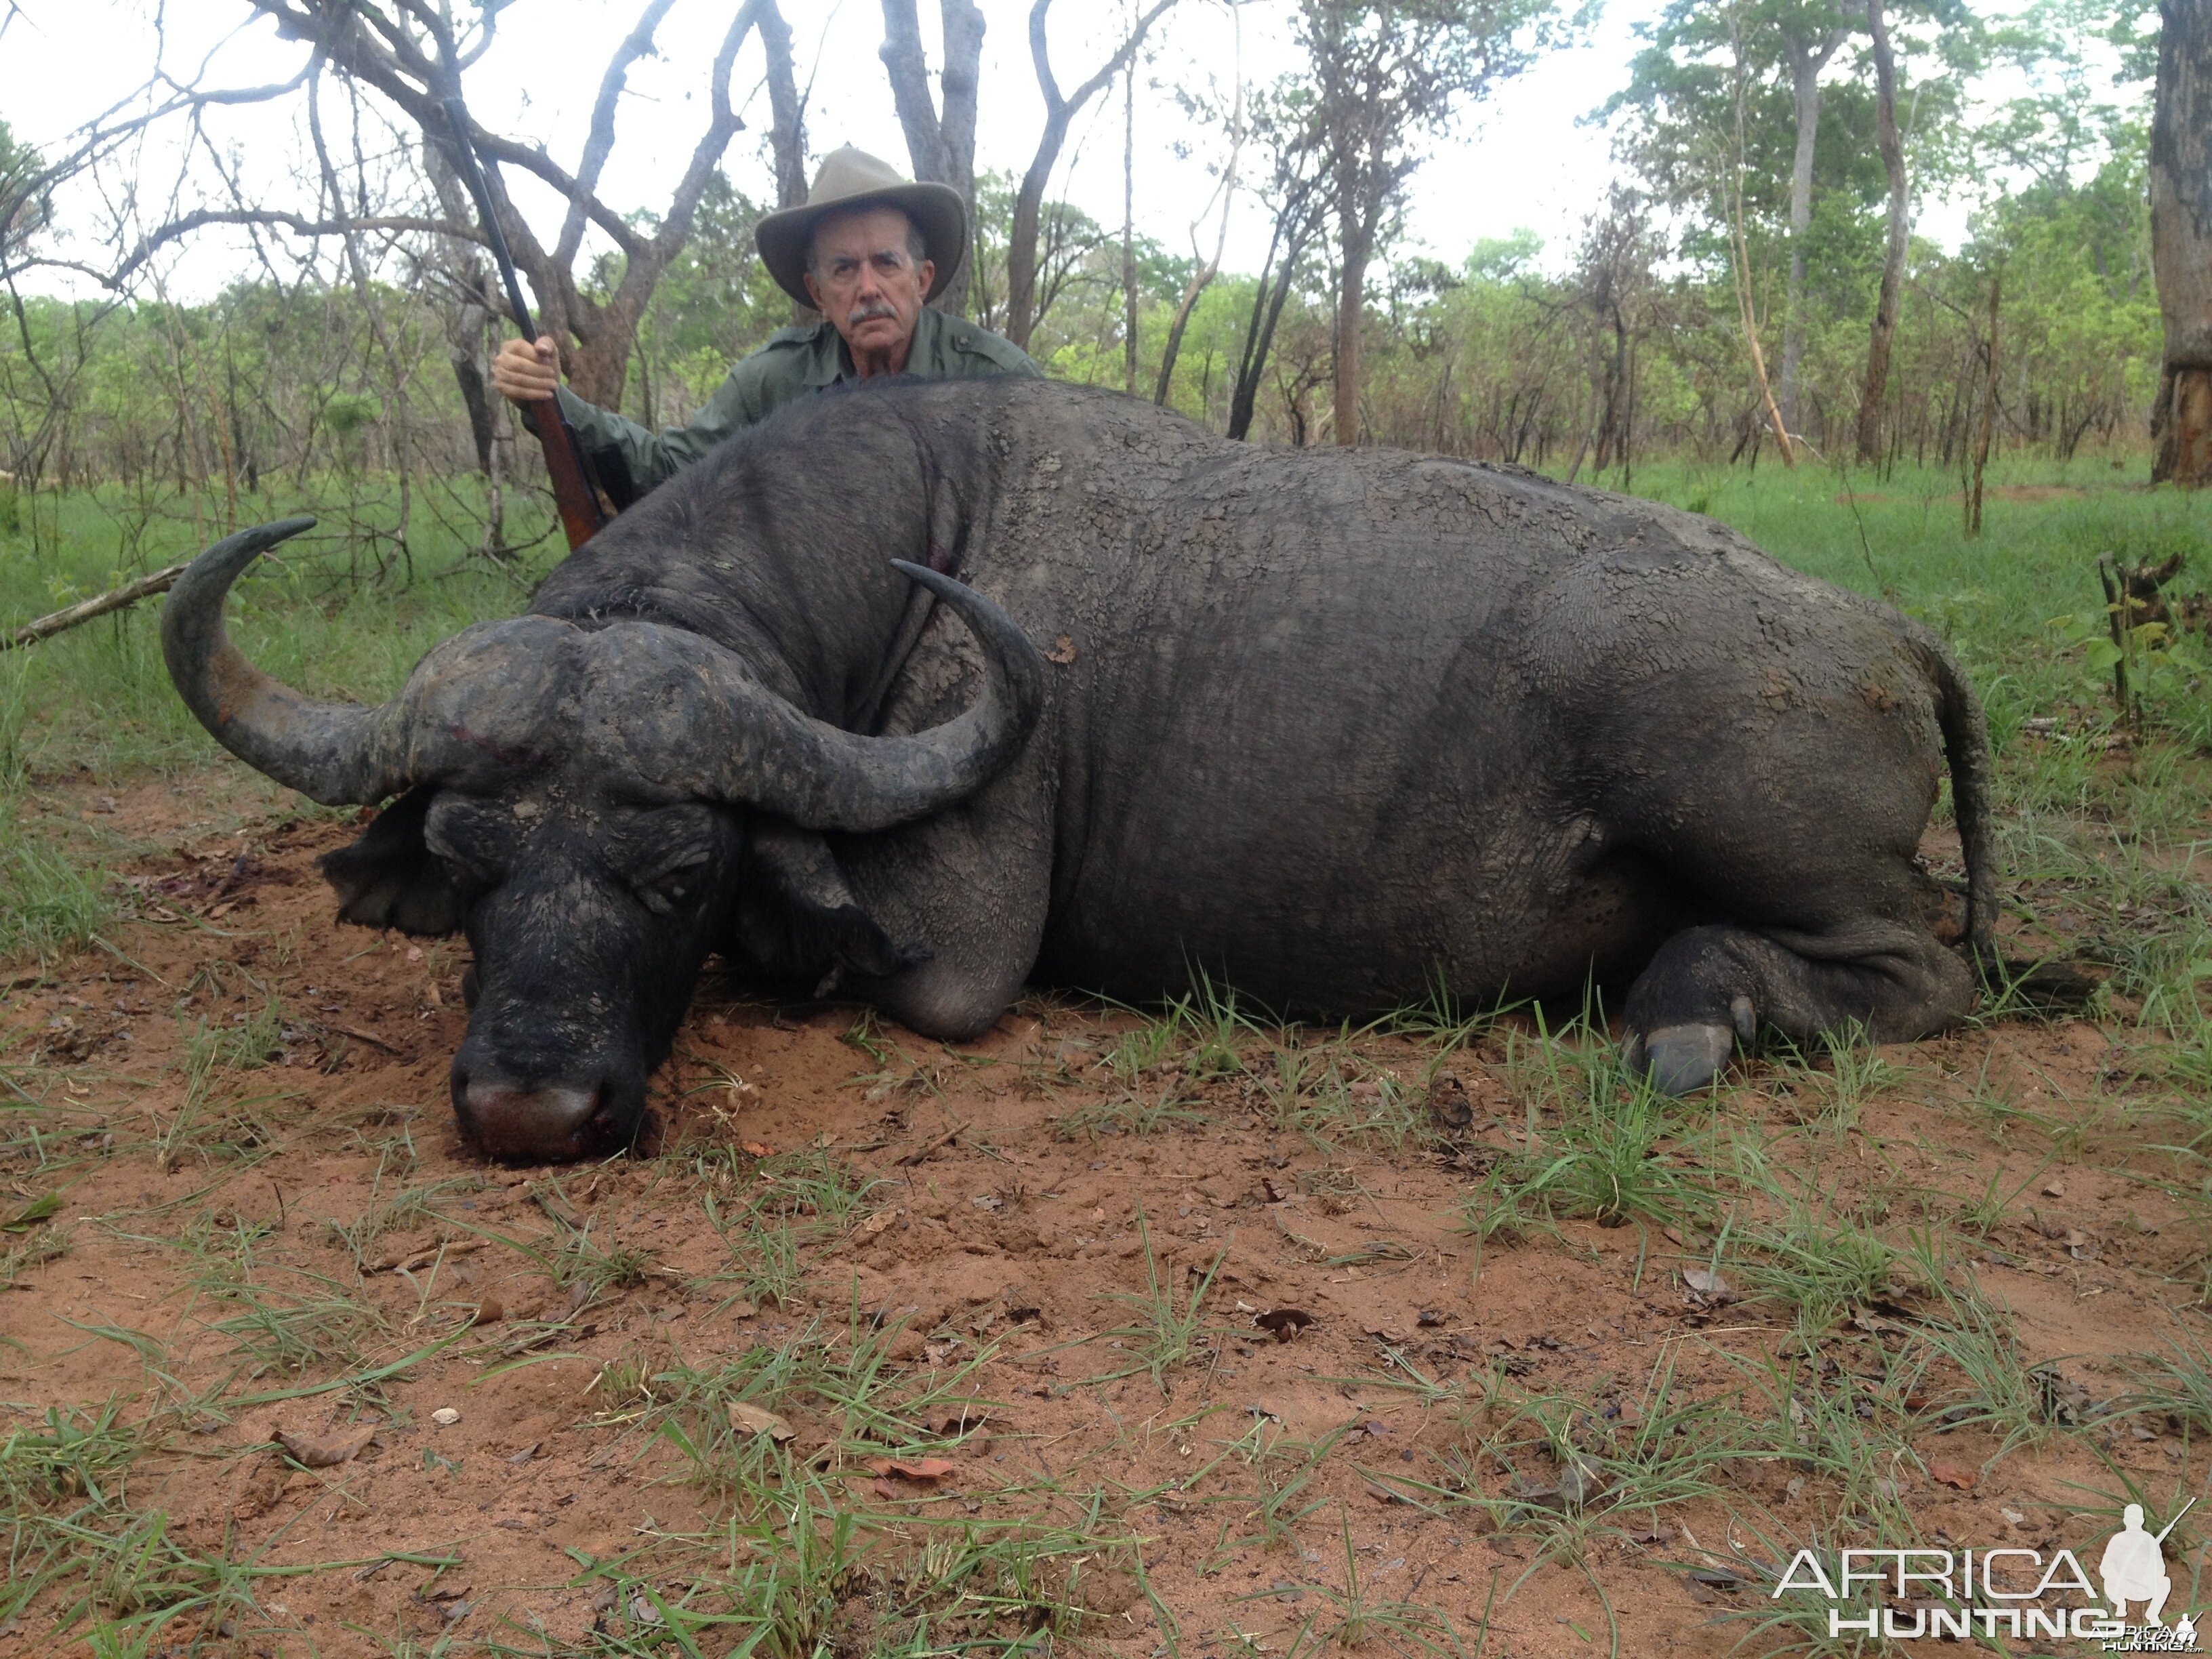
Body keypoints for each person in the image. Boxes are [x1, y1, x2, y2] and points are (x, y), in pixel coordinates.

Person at [488, 146, 1040, 503]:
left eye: (886, 264)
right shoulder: (773, 382)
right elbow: (667, 475)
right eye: (844, 269)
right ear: (817, 293)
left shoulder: (995, 378)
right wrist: (553, 400)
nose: (868, 288)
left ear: (921, 280)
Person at [2100, 1503, 2173, 1625]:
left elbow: (2105, 1568)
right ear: (2142, 1520)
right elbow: (2161, 1570)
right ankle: (2153, 1614)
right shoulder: (2149, 1540)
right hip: (2141, 1590)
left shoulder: (2117, 1539)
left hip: (2121, 1589)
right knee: (2165, 1582)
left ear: (2125, 1520)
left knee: (2109, 1579)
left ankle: (2122, 1604)